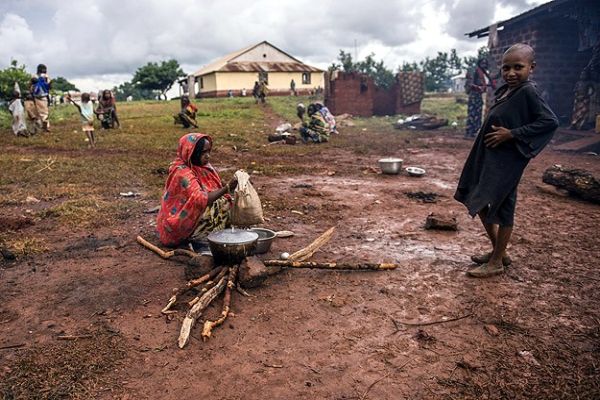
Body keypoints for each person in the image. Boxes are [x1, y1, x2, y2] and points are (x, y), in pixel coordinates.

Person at [454, 43, 558, 278]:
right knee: (477, 198)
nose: (511, 73)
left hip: (507, 161)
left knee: (503, 205)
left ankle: (497, 261)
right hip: (491, 158)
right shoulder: (508, 90)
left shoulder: (528, 91)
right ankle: (498, 252)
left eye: (518, 67)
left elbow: (549, 121)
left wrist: (511, 134)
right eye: (506, 68)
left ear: (532, 67)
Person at [156, 133, 239, 247]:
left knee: (224, 202)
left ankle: (212, 234)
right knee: (215, 206)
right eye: (203, 152)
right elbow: (200, 199)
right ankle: (197, 238)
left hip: (190, 214)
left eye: (209, 151)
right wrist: (228, 188)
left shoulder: (202, 167)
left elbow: (215, 185)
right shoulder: (181, 172)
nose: (208, 156)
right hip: (177, 225)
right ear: (190, 152)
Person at [464, 59, 492, 138]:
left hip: (478, 96)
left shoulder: (483, 72)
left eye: (485, 63)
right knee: (472, 113)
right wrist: (478, 87)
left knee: (478, 113)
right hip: (474, 95)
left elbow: (490, 79)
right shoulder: (476, 71)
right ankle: (469, 132)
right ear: (479, 63)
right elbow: (469, 83)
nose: (484, 64)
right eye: (483, 63)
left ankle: (475, 131)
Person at [30, 64, 52, 132]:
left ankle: (42, 126)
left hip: (36, 97)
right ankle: (45, 126)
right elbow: (50, 87)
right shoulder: (47, 77)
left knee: (37, 113)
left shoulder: (34, 76)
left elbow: (30, 86)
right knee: (44, 113)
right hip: (44, 96)